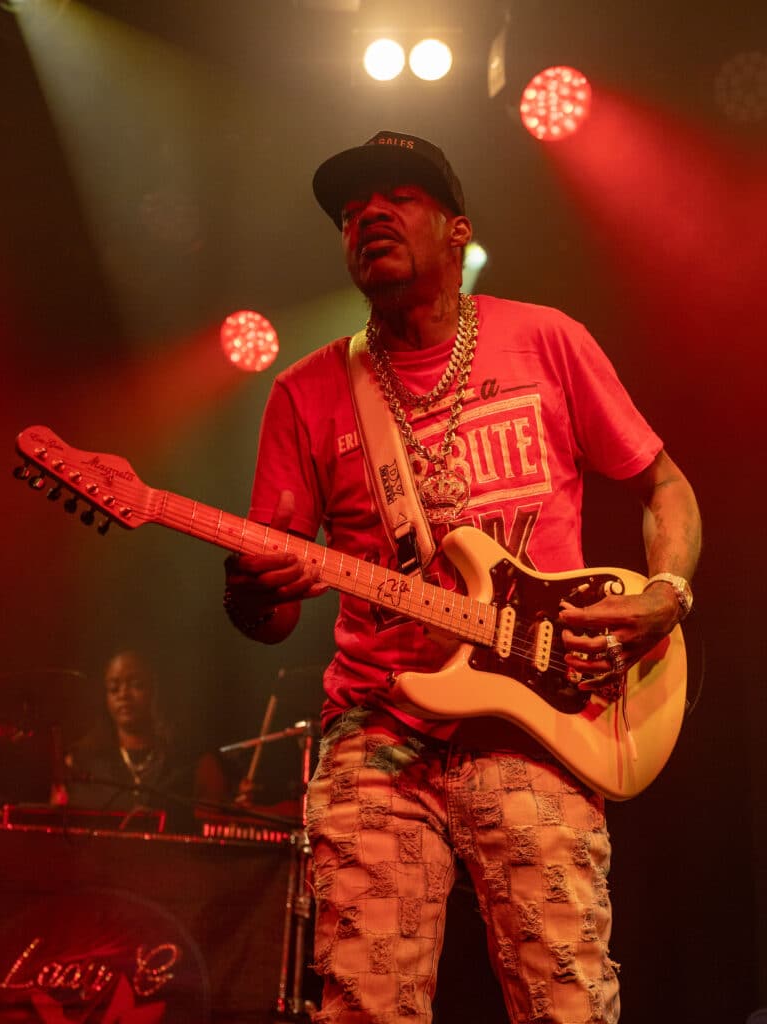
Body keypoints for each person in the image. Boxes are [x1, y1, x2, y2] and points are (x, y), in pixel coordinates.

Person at [223, 131, 701, 1024]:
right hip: (378, 731)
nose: (369, 215)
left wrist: (665, 594)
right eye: (350, 211)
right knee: (364, 1008)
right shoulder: (304, 391)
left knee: (568, 1004)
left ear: (457, 230)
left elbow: (664, 486)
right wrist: (251, 594)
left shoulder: (546, 339)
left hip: (540, 726)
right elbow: (272, 618)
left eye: (398, 196)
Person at [55, 649, 230, 832]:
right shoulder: (80, 762)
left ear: (156, 690)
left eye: (136, 685)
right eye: (114, 688)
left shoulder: (192, 762)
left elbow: (214, 831)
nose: (123, 695)